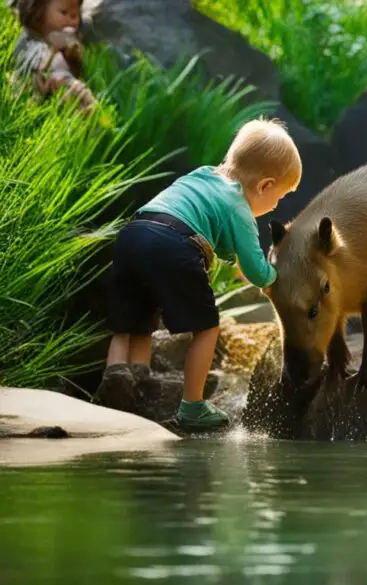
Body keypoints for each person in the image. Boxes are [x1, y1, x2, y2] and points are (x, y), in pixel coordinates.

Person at [94, 118, 302, 431]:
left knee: (133, 325)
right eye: (280, 197)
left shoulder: (202, 175)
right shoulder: (239, 207)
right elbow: (258, 272)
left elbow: (207, 228)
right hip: (175, 243)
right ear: (265, 186)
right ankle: (192, 406)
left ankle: (123, 379)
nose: (275, 206)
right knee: (207, 329)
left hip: (134, 234)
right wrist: (280, 279)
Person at [8, 0, 96, 111]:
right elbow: (36, 71)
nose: (73, 20)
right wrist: (53, 52)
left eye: (76, 14)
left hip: (66, 83)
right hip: (46, 88)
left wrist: (71, 56)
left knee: (80, 92)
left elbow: (76, 71)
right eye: (64, 12)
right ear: (39, 15)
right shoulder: (29, 43)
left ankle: (95, 115)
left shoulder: (64, 42)